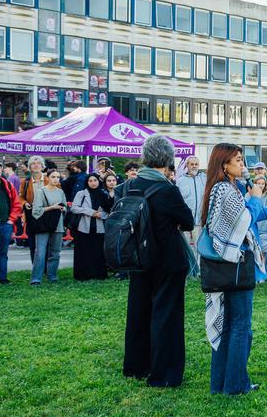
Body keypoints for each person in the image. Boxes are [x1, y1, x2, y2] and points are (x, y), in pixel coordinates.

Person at [198, 142, 267, 394]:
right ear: (224, 164)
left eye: (242, 159)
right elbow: (244, 220)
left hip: (226, 266)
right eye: (238, 160)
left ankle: (221, 383)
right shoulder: (225, 190)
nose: (243, 164)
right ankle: (236, 385)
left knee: (228, 325)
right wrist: (255, 197)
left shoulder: (227, 188)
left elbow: (246, 217)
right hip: (234, 266)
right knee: (240, 326)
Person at [122, 135, 197, 388]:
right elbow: (187, 220)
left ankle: (136, 365)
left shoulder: (129, 186)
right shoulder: (167, 189)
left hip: (138, 257)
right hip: (166, 259)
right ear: (167, 159)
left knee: (138, 312)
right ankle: (163, 373)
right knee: (167, 316)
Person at [29, 168, 67, 285]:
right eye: (53, 177)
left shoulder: (60, 192)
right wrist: (52, 207)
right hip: (43, 225)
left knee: (55, 252)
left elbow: (65, 207)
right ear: (48, 178)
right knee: (40, 252)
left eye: (58, 177)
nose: (56, 179)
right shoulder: (41, 191)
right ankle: (36, 279)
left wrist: (63, 208)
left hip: (58, 225)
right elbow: (36, 211)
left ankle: (52, 276)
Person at [71, 173, 112, 281]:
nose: (93, 183)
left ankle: (98, 274)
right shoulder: (81, 193)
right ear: (87, 182)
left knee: (98, 251)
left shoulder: (103, 194)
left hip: (99, 227)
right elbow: (74, 208)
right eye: (90, 181)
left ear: (99, 181)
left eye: (95, 180)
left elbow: (109, 210)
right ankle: (83, 275)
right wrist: (91, 212)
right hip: (83, 227)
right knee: (83, 251)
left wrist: (101, 214)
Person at [176, 155, 207, 267]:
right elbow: (178, 201)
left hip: (199, 220)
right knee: (185, 246)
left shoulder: (204, 179)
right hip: (185, 220)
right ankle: (187, 268)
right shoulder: (180, 181)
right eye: (191, 164)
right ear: (187, 166)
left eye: (196, 164)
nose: (194, 166)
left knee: (199, 246)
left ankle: (198, 269)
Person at [247, 176, 267, 278]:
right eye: (258, 183)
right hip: (253, 228)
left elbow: (266, 210)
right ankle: (254, 273)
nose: (260, 185)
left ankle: (262, 273)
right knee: (253, 252)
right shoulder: (248, 195)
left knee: (264, 252)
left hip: (265, 228)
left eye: (262, 183)